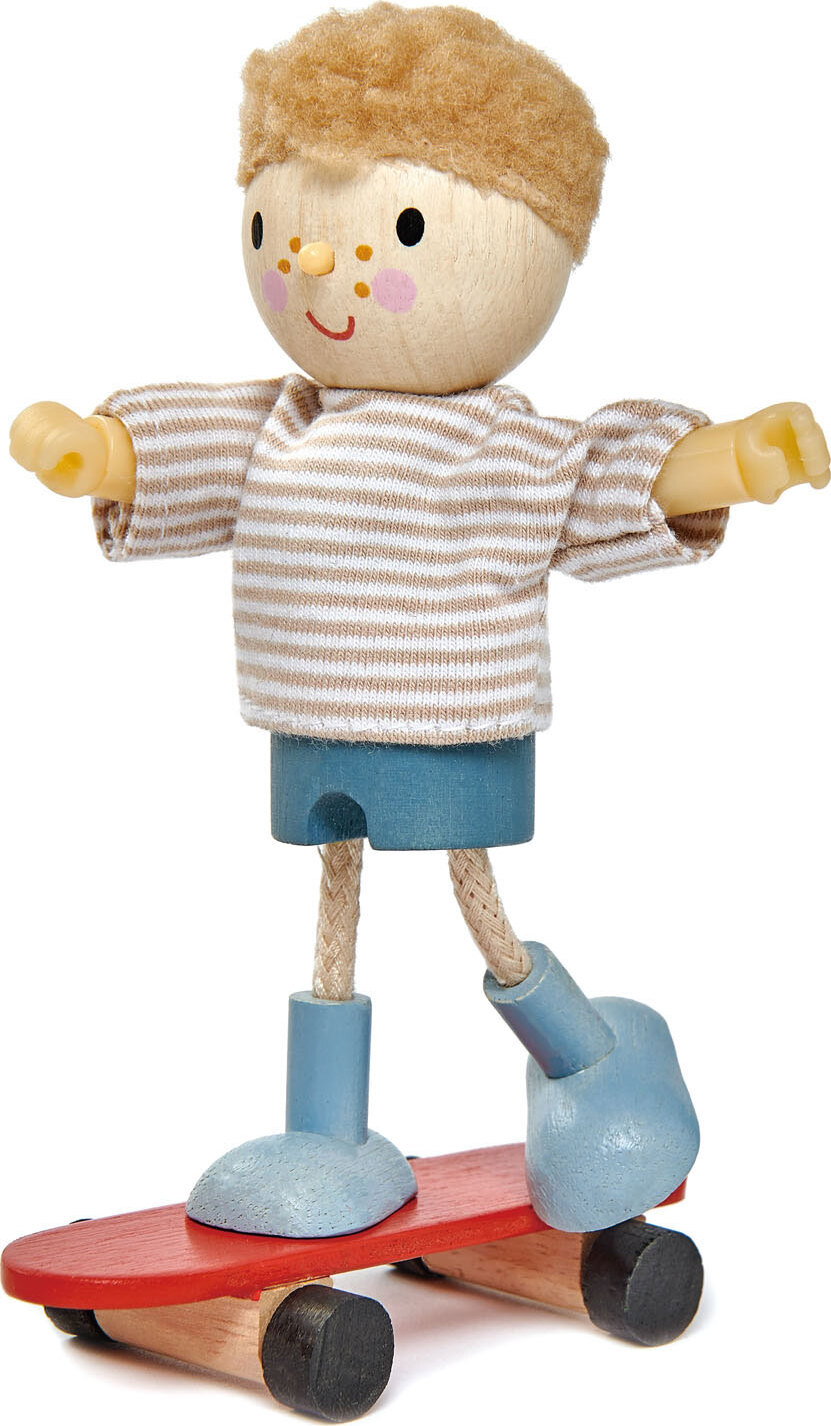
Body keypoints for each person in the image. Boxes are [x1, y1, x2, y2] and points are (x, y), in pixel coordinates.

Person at [9, 4, 829, 1238]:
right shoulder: (280, 423)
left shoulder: (500, 444)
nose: (308, 264)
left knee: (475, 899)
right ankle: (327, 1133)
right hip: (315, 722)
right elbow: (186, 448)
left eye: (395, 230)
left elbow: (601, 476)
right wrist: (104, 451)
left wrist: (727, 460)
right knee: (332, 910)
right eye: (274, 229)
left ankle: (591, 1063)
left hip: (454, 722)